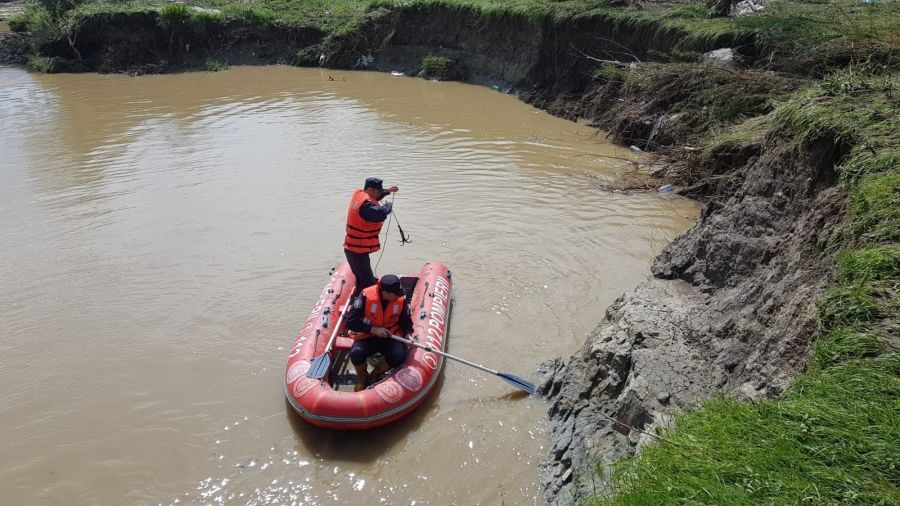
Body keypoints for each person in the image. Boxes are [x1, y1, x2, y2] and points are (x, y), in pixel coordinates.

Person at [345, 274, 413, 391]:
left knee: (399, 355)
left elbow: (405, 321)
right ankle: (362, 375)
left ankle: (376, 372)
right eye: (395, 294)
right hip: (367, 336)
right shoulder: (365, 296)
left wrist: (408, 334)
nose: (399, 296)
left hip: (389, 336)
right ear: (385, 293)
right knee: (356, 353)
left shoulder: (400, 299)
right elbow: (350, 322)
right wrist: (373, 329)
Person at [344, 177, 399, 293]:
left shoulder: (361, 195)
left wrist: (388, 191)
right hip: (357, 250)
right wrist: (387, 207)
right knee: (366, 282)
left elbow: (377, 196)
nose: (380, 193)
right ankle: (364, 305)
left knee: (363, 278)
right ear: (369, 190)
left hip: (353, 248)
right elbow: (380, 214)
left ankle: (361, 294)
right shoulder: (366, 207)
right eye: (378, 191)